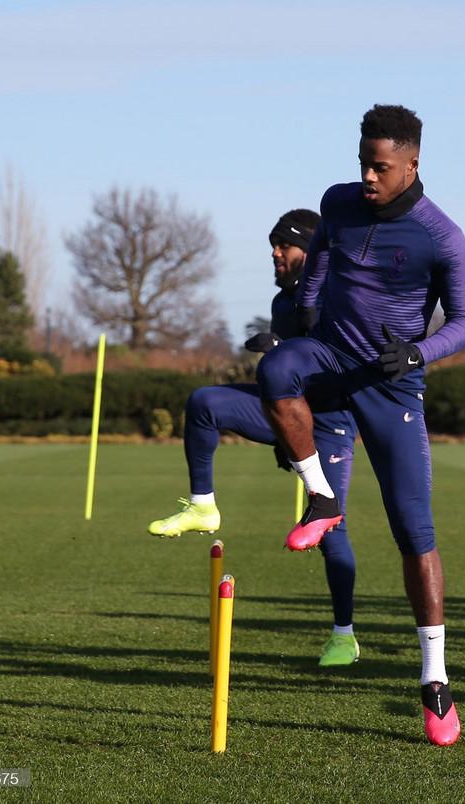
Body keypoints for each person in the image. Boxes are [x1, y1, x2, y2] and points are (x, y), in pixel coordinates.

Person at [256, 104, 465, 746]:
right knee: (275, 375)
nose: (368, 178)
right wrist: (304, 310)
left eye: (380, 168)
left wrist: (419, 351)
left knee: (415, 532)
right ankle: (319, 495)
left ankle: (434, 679)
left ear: (412, 164)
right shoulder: (338, 201)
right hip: (329, 358)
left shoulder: (442, 235)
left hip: (392, 383)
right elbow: (321, 254)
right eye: (362, 164)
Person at [148, 209, 363, 667]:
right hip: (289, 415)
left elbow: (334, 358)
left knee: (330, 529)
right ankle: (203, 505)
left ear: (310, 249)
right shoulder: (283, 302)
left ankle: (343, 637)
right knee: (204, 402)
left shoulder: (335, 292)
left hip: (330, 422)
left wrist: (284, 350)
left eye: (284, 245)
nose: (275, 252)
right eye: (274, 244)